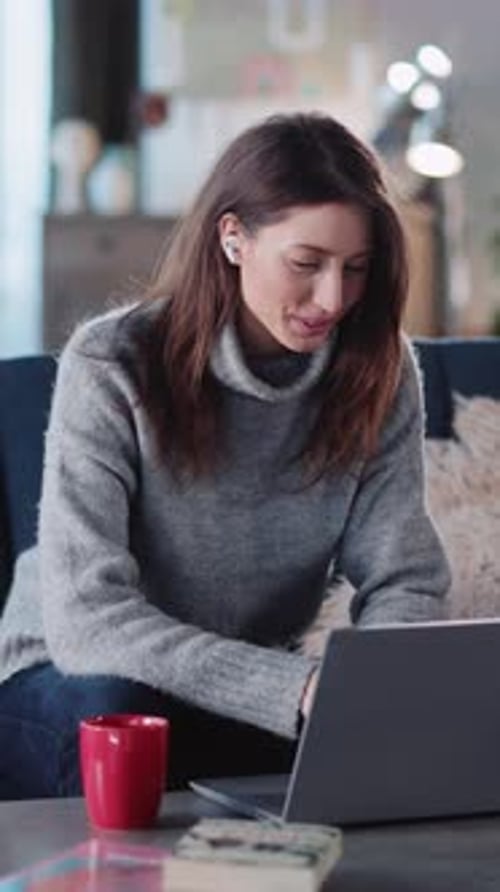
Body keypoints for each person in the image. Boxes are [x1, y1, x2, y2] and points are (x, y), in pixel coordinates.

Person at [0, 112, 450, 799]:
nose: (332, 299)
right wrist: (294, 687)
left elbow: (406, 584)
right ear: (233, 238)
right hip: (68, 677)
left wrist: (374, 695)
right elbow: (89, 619)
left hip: (239, 691)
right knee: (127, 715)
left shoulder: (379, 374)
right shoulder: (112, 362)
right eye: (306, 264)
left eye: (355, 270)